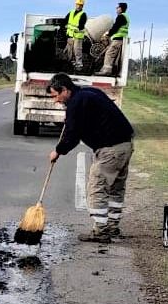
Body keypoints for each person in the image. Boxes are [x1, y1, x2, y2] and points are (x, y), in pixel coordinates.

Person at [46, 73, 134, 243]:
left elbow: (72, 134)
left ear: (64, 90)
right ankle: (112, 227)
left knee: (97, 188)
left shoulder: (77, 103)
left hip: (111, 149)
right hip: (125, 145)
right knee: (115, 188)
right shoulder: (88, 93)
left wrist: (58, 151)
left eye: (56, 95)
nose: (55, 100)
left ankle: (101, 231)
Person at [96, 3, 129, 76]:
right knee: (114, 55)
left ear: (121, 8)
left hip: (118, 39)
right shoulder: (125, 17)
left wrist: (107, 34)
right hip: (120, 39)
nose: (116, 9)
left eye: (117, 7)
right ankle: (107, 70)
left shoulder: (121, 17)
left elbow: (115, 28)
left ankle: (107, 71)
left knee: (109, 53)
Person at [62, 0, 87, 71]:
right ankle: (71, 64)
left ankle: (79, 65)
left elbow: (81, 26)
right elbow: (65, 21)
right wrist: (63, 26)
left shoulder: (83, 14)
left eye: (80, 5)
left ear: (82, 6)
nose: (78, 6)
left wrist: (71, 28)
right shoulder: (71, 12)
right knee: (70, 51)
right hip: (70, 35)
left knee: (77, 51)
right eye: (77, 4)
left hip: (77, 36)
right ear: (75, 5)